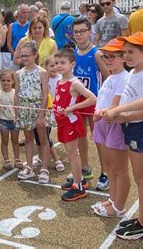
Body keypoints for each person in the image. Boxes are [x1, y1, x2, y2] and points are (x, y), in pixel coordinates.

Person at [112, 32, 143, 240]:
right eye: (125, 52)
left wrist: (125, 115)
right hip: (133, 127)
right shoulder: (134, 72)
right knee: (140, 177)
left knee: (141, 178)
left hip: (141, 129)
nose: (126, 55)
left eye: (131, 52)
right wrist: (115, 112)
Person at [91, 39, 129, 218]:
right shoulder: (112, 76)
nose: (107, 60)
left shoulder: (124, 77)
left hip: (114, 125)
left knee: (119, 168)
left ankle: (119, 207)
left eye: (112, 56)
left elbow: (115, 105)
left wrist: (104, 113)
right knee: (110, 165)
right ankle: (112, 199)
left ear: (123, 57)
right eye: (105, 56)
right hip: (103, 123)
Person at [53, 48, 97, 201]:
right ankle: (81, 180)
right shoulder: (60, 80)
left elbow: (92, 98)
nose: (59, 65)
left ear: (72, 64)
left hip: (71, 122)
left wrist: (72, 108)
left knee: (72, 154)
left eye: (63, 63)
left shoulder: (75, 83)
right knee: (70, 153)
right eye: (57, 62)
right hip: (62, 122)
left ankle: (78, 186)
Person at [71, 18, 109, 191]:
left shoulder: (96, 53)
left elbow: (108, 78)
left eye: (82, 31)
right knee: (80, 135)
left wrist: (105, 101)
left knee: (99, 139)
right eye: (76, 32)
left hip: (95, 103)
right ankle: (85, 168)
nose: (79, 35)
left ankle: (106, 173)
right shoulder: (73, 53)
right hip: (78, 102)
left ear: (90, 32)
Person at [14, 41, 50, 184]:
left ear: (35, 55)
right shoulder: (18, 73)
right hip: (24, 109)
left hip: (38, 108)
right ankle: (29, 166)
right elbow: (16, 94)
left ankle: (44, 168)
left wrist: (41, 115)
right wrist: (17, 113)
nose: (23, 59)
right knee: (28, 138)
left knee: (43, 139)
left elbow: (45, 95)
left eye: (26, 55)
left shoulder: (42, 72)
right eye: (21, 56)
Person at [0, 70, 22, 170]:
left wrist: (17, 118)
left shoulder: (15, 93)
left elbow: (18, 107)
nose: (5, 82)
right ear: (0, 81)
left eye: (8, 80)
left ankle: (17, 159)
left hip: (14, 121)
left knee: (15, 140)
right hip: (3, 121)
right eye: (3, 80)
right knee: (4, 140)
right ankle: (6, 160)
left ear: (13, 81)